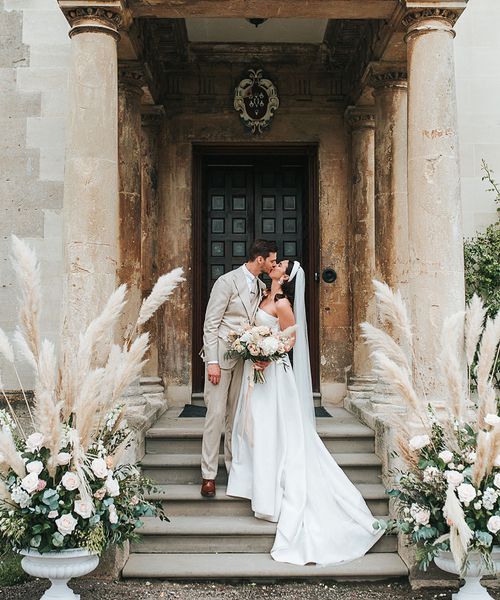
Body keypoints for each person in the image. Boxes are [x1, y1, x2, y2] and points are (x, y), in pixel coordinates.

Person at [227, 259, 384, 565]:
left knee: (275, 430)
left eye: (279, 263)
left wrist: (266, 353)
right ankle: (256, 483)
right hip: (257, 375)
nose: (274, 263)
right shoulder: (263, 295)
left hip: (273, 374)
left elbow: (291, 340)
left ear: (284, 277)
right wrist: (251, 344)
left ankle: (271, 493)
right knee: (257, 428)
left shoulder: (283, 304)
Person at [200, 239, 277, 498]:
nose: (273, 264)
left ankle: (233, 469)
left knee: (236, 416)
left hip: (244, 358)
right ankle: (208, 475)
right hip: (220, 359)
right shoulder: (226, 282)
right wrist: (212, 361)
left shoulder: (260, 285)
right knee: (215, 414)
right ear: (260, 259)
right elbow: (211, 324)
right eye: (272, 260)